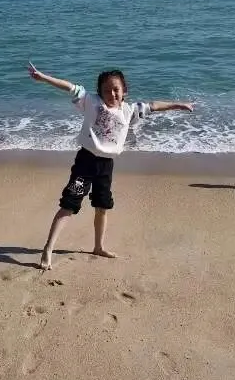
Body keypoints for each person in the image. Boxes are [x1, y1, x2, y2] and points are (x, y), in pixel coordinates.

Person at [28, 62, 193, 270]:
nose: (112, 94)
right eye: (106, 90)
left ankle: (98, 247)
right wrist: (43, 77)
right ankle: (48, 248)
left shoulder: (129, 111)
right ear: (100, 92)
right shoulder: (91, 102)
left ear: (124, 91)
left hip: (106, 165)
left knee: (102, 207)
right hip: (85, 162)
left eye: (116, 89)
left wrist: (178, 105)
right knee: (68, 205)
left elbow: (153, 105)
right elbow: (69, 87)